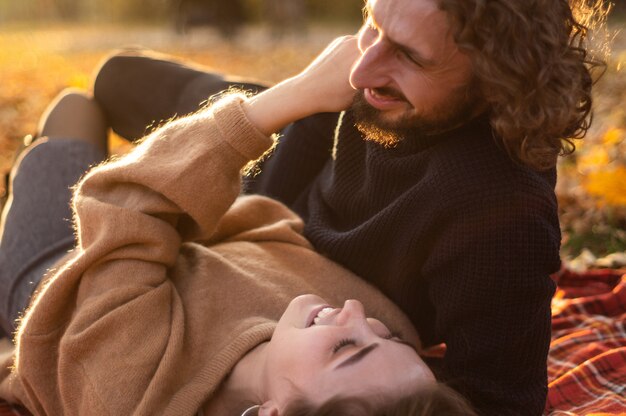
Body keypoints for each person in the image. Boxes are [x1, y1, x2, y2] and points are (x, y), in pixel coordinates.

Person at [91, 0, 609, 414]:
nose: (361, 67)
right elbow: (280, 179)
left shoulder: (497, 212)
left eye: (408, 55)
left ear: (497, 77)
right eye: (372, 23)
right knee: (116, 76)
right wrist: (304, 96)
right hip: (288, 156)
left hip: (284, 274)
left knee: (76, 128)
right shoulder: (368, 83)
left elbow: (499, 402)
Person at [0, 39, 478, 415]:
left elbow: (121, 202)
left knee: (73, 110)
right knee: (114, 85)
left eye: (347, 347)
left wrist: (295, 94)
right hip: (195, 239)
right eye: (386, 338)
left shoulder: (132, 391)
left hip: (65, 272)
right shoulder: (389, 355)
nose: (357, 312)